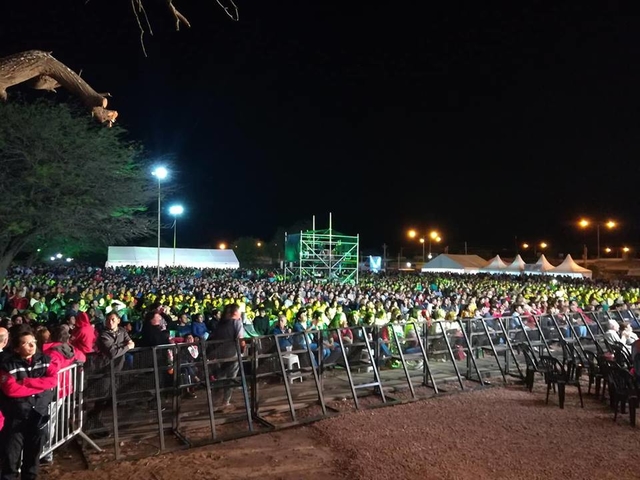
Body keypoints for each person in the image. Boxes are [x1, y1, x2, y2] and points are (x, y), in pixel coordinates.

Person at [0, 326, 58, 480]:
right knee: (10, 459)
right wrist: (39, 387)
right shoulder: (7, 365)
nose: (32, 345)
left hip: (38, 416)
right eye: (27, 343)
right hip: (16, 418)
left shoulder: (45, 360)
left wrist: (26, 382)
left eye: (33, 341)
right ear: (18, 348)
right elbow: (11, 390)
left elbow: (53, 380)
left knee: (32, 460)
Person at [87, 311, 135, 436]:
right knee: (102, 398)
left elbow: (130, 342)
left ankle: (93, 421)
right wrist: (125, 347)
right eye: (108, 320)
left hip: (118, 369)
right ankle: (93, 423)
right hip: (105, 371)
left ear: (118, 320)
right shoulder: (104, 335)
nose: (110, 322)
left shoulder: (122, 331)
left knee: (111, 398)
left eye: (113, 319)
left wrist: (121, 347)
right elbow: (112, 353)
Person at [208, 304, 245, 412]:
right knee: (230, 378)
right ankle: (225, 402)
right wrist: (242, 349)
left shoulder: (220, 324)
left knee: (220, 378)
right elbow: (240, 339)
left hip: (219, 355)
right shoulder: (237, 323)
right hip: (232, 354)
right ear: (235, 312)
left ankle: (215, 403)